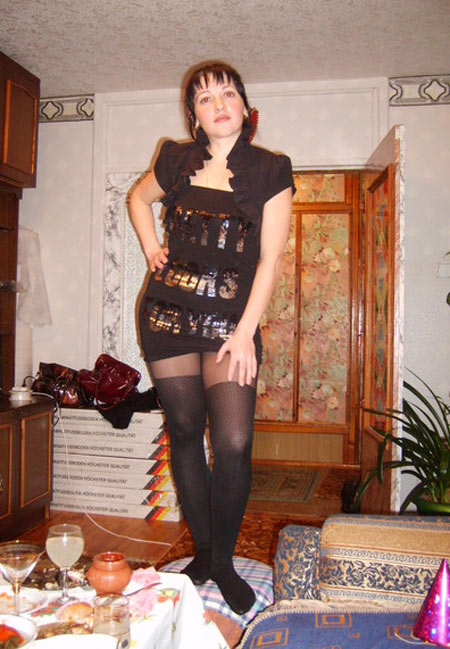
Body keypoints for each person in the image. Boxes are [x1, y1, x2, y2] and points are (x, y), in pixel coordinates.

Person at [128, 61, 294, 615]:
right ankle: (203, 554)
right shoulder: (175, 159)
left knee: (233, 443)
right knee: (182, 430)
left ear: (245, 107)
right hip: (167, 317)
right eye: (205, 98)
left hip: (230, 326)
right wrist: (151, 247)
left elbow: (270, 260)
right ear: (194, 115)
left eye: (227, 94)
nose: (218, 104)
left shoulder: (271, 169)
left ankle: (222, 561)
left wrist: (245, 333)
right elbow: (137, 199)